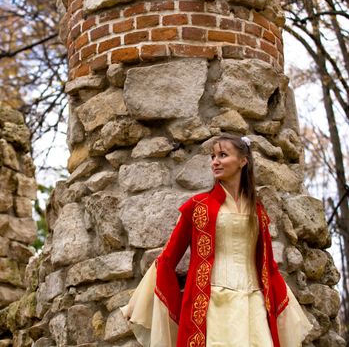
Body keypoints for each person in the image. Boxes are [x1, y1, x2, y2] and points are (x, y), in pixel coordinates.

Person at [121, 134, 312, 347]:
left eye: (223, 155)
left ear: (243, 161)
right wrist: (140, 303)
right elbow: (168, 258)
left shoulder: (258, 212)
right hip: (212, 303)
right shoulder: (197, 207)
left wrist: (285, 308)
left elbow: (268, 266)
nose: (215, 161)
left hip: (254, 303)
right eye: (213, 156)